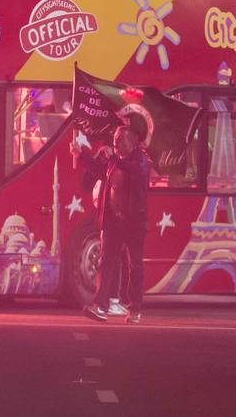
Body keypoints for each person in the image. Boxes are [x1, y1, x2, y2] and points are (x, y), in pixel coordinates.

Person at [85, 125, 151, 324]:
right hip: (113, 221)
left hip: (133, 222)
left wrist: (113, 158)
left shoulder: (141, 161)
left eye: (119, 139)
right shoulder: (115, 162)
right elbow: (98, 170)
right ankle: (100, 307)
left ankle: (135, 309)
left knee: (135, 266)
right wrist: (81, 156)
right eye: (115, 139)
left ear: (131, 142)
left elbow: (135, 171)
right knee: (106, 264)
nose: (115, 142)